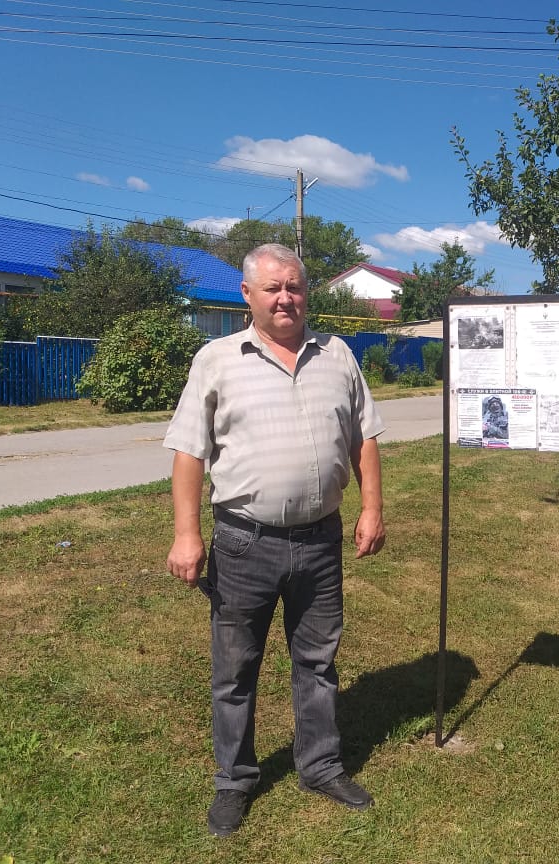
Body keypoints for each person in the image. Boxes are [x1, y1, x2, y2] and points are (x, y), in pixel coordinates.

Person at [165, 243, 386, 837]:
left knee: (318, 661)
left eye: (294, 286)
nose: (285, 297)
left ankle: (320, 765)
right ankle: (234, 780)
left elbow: (365, 438)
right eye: (272, 288)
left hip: (321, 540)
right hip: (243, 544)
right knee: (235, 670)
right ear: (247, 295)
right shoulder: (216, 359)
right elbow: (189, 452)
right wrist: (188, 535)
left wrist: (371, 508)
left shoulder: (338, 355)